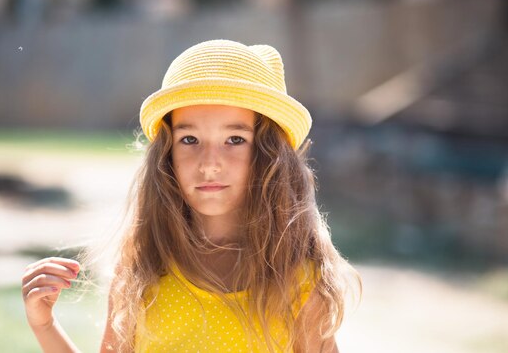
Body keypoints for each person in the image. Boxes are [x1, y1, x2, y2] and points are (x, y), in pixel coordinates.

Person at [21, 39, 361, 352]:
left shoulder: (299, 283)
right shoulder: (142, 269)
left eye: (234, 140)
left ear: (268, 155)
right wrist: (44, 324)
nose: (209, 164)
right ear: (166, 155)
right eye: (189, 140)